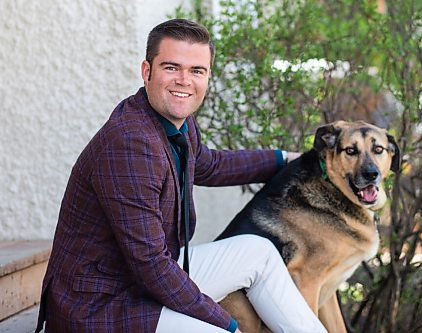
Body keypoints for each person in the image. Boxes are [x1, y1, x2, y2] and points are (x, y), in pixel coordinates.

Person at [36, 19, 327, 333]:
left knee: (259, 253)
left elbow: (209, 165)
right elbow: (151, 265)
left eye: (197, 71)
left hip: (139, 281)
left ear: (207, 77)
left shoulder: (175, 121)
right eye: (171, 67)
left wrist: (285, 159)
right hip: (100, 307)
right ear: (147, 71)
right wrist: (227, 324)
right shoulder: (131, 143)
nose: (184, 81)